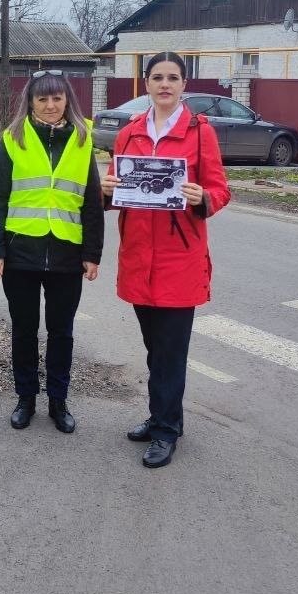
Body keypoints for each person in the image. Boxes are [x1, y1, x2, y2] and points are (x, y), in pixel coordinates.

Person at [101, 52, 230, 469]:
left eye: (173, 77)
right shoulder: (130, 133)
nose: (165, 84)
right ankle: (164, 415)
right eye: (157, 77)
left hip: (180, 258)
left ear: (183, 84)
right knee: (155, 348)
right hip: (139, 255)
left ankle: (165, 431)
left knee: (170, 353)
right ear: (146, 83)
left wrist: (203, 197)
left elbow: (220, 190)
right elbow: (115, 189)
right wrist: (106, 190)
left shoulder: (200, 133)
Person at [0, 70, 103, 433]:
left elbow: (92, 201)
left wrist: (92, 253)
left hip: (67, 253)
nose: (50, 105)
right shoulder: (13, 138)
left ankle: (58, 401)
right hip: (21, 252)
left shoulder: (83, 139)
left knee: (61, 333)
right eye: (42, 99)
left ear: (67, 100)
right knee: (24, 330)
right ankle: (26, 398)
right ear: (30, 102)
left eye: (57, 98)